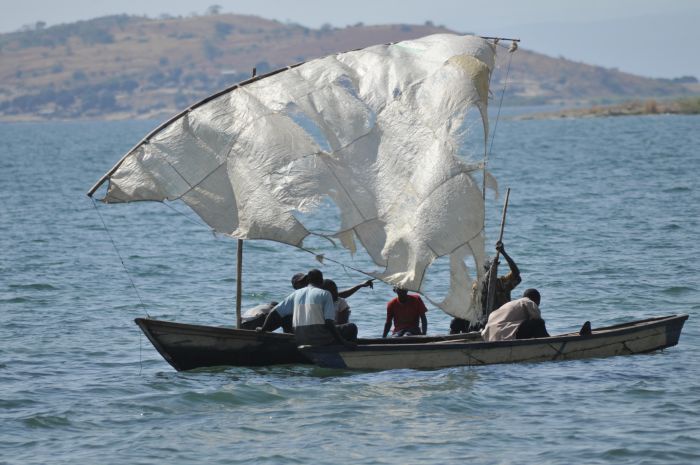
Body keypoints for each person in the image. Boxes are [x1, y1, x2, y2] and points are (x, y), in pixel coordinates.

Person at [260, 269, 351, 347]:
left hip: (299, 338)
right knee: (351, 327)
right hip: (319, 339)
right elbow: (328, 323)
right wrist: (343, 341)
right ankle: (345, 351)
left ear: (308, 280)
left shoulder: (295, 294)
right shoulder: (325, 294)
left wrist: (263, 329)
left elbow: (274, 312)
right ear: (321, 281)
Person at [450, 241, 521, 334]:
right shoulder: (476, 286)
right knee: (456, 322)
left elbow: (516, 273)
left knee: (484, 322)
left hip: (498, 320)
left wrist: (503, 253)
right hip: (480, 321)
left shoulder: (501, 283)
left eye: (487, 269)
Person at [480, 288, 549, 342]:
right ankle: (549, 342)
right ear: (537, 300)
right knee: (538, 323)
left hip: (490, 336)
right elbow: (537, 318)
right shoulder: (528, 301)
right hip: (504, 335)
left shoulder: (511, 304)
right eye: (538, 303)